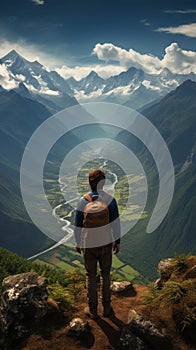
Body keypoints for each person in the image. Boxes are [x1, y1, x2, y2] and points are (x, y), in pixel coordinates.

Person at [74, 168, 120, 320]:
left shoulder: (83, 201)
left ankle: (93, 311)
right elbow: (115, 224)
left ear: (89, 183)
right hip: (106, 244)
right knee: (105, 275)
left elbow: (78, 225)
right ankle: (106, 308)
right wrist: (117, 242)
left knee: (90, 276)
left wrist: (78, 243)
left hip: (89, 244)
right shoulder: (110, 200)